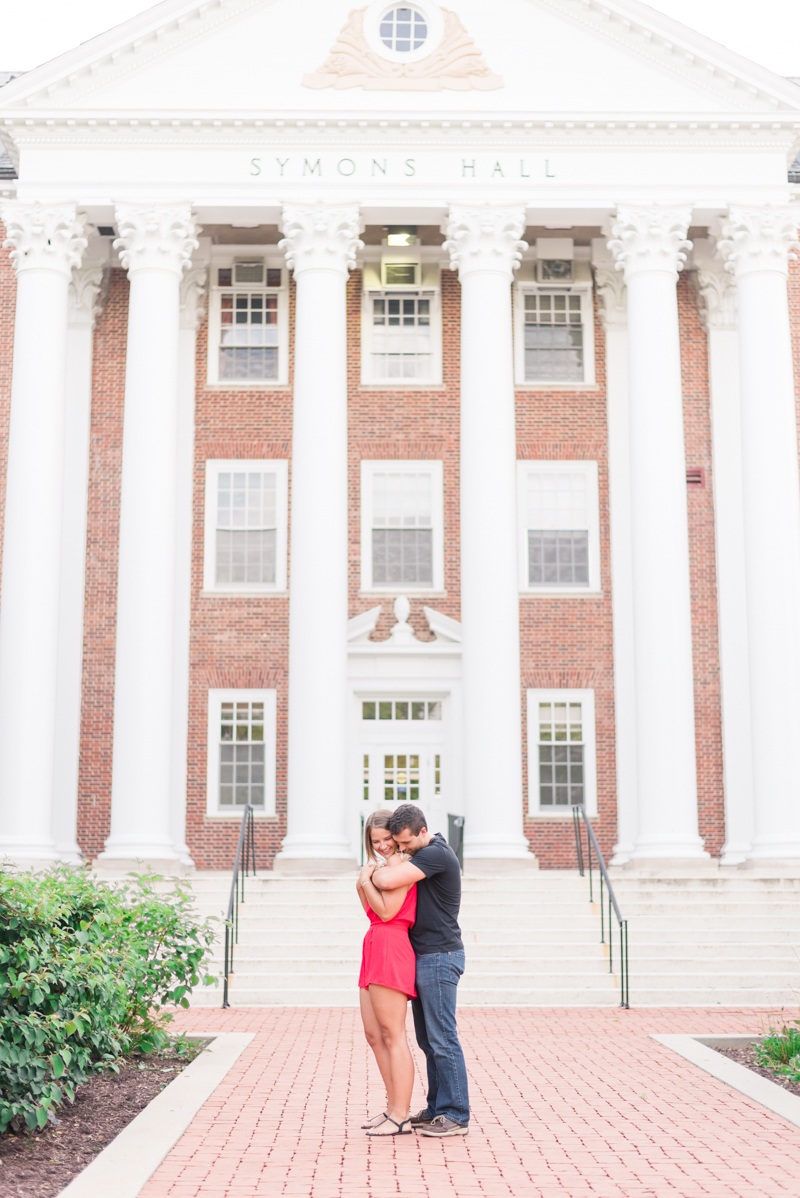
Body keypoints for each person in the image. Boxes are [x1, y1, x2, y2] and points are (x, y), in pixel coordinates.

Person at [368, 803, 469, 1138]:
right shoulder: (422, 854)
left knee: (443, 1038)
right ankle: (438, 1108)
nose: (402, 849)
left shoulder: (437, 853)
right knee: (428, 1040)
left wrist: (366, 875)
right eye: (398, 844)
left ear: (423, 832)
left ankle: (456, 1114)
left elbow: (383, 877)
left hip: (440, 955)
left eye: (406, 843)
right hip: (423, 955)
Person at [355, 809, 418, 1137]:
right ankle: (392, 1105)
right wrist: (367, 879)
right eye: (375, 841)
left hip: (392, 945)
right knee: (373, 1035)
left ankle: (401, 1114)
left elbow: (388, 910)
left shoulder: (401, 868)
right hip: (374, 945)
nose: (382, 846)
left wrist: (365, 879)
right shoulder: (382, 868)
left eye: (387, 840)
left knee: (393, 1034)